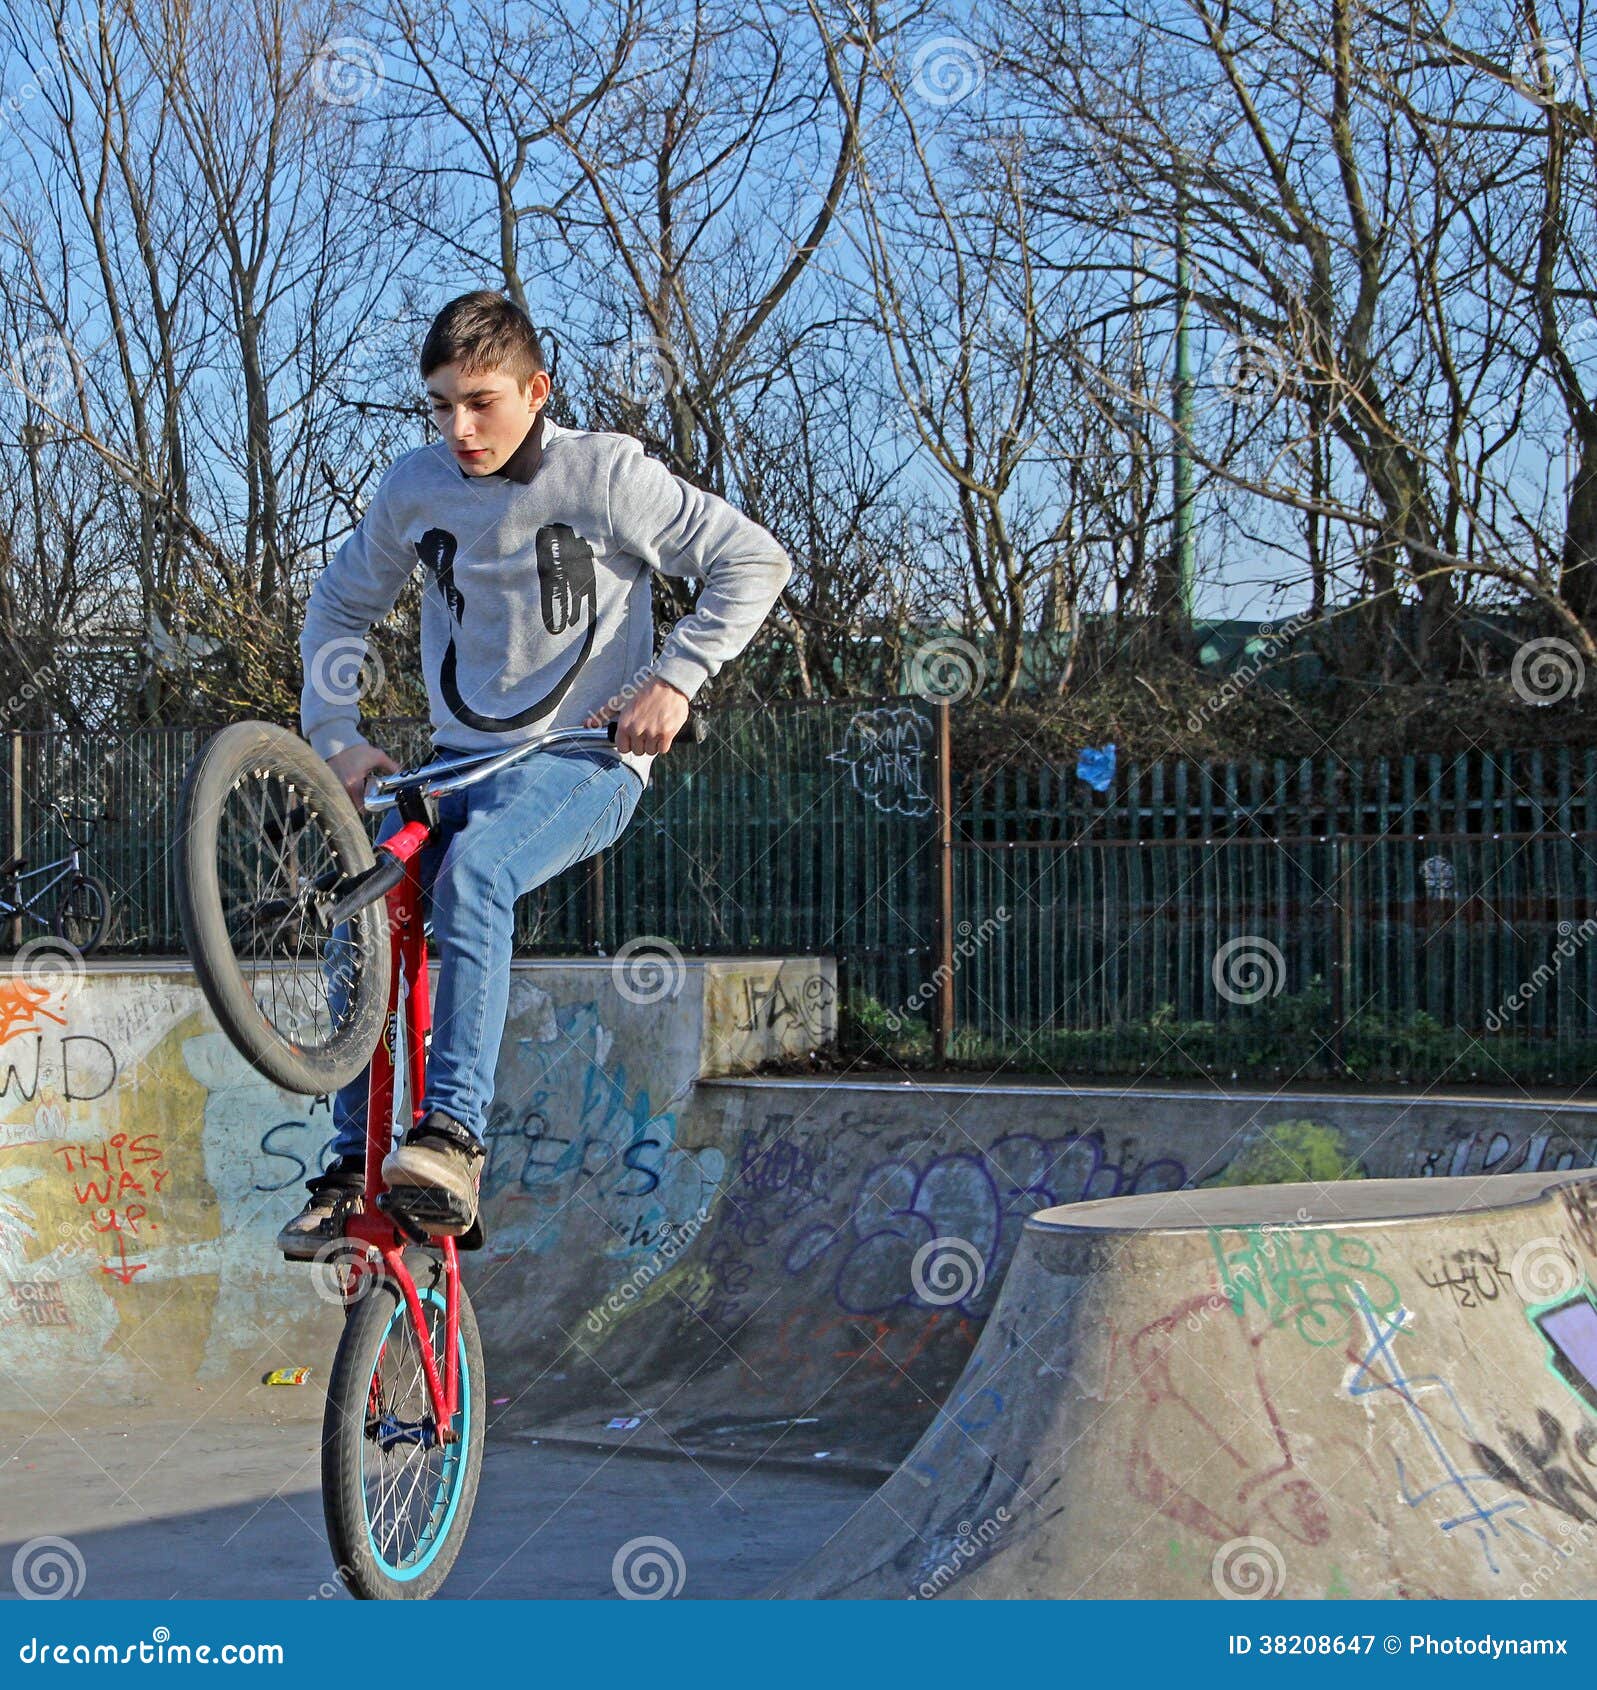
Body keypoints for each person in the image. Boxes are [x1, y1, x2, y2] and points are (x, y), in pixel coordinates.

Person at [279, 289, 791, 1258]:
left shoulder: (607, 476)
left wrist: (675, 679)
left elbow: (753, 560)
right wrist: (337, 732)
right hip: (456, 765)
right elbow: (337, 610)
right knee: (360, 907)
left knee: (478, 873)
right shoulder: (414, 488)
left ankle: (452, 1137)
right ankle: (350, 1169)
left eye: (481, 402)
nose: (460, 428)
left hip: (583, 763)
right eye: (440, 405)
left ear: (535, 389)